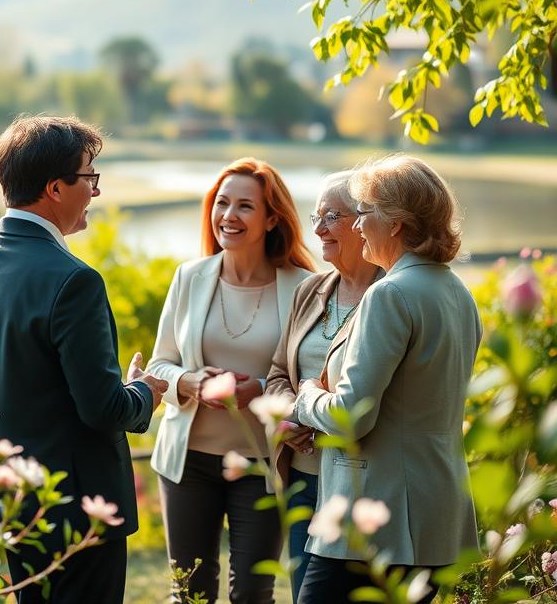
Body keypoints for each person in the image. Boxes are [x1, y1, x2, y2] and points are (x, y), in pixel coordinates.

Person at [0, 115, 167, 604]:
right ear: (55, 188)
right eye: (90, 178)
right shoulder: (74, 280)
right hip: (76, 509)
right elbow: (102, 408)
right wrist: (145, 393)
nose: (96, 191)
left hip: (6, 502)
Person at [294, 155, 481, 604]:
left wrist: (305, 398)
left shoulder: (389, 294)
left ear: (395, 223)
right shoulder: (457, 292)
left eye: (363, 212)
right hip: (437, 516)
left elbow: (350, 417)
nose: (356, 226)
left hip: (377, 520)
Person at [147, 157, 316, 604]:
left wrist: (259, 390)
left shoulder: (305, 287)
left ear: (271, 217)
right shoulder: (189, 277)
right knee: (190, 591)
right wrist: (191, 382)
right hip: (188, 464)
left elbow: (316, 376)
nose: (228, 216)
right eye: (222, 203)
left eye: (245, 206)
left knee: (253, 594)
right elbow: (160, 364)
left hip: (263, 463)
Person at [264, 171, 382, 602]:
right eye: (316, 215)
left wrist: (316, 413)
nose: (317, 229)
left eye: (332, 216)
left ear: (366, 221)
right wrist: (290, 415)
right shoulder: (309, 290)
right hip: (303, 477)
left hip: (361, 485)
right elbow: (279, 372)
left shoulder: (391, 295)